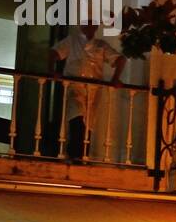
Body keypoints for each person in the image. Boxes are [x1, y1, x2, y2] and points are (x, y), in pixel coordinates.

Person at [49, 21, 126, 160]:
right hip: (75, 88)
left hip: (93, 91)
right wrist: (51, 71)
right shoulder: (72, 41)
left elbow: (120, 59)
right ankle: (74, 156)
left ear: (95, 27)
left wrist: (116, 78)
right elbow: (54, 52)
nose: (88, 27)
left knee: (88, 125)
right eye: (86, 24)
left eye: (91, 24)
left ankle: (83, 156)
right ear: (81, 26)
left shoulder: (101, 45)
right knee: (76, 119)